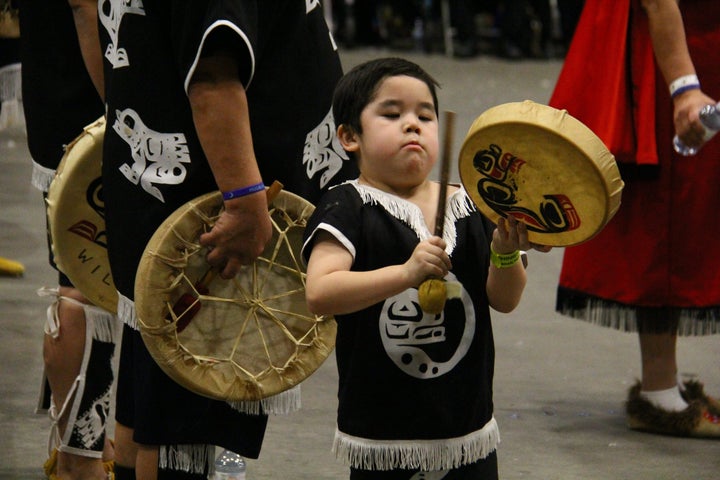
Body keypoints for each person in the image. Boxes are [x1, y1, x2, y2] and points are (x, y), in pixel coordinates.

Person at [97, 1, 359, 479]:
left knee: (149, 417)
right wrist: (242, 201)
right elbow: (213, 79)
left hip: (161, 196)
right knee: (181, 433)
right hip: (209, 223)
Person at [301, 57, 548, 479]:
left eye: (425, 115)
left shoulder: (473, 204)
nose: (412, 125)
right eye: (392, 114)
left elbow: (504, 299)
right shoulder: (347, 205)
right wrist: (407, 274)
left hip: (465, 426)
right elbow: (320, 293)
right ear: (348, 136)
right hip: (383, 434)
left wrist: (504, 253)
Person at [550, 0, 720, 437]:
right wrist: (683, 85)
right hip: (672, 60)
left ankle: (667, 382)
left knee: (691, 217)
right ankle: (659, 391)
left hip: (698, 49)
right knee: (666, 220)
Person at [17, 2, 117, 479]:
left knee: (103, 282)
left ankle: (99, 447)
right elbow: (84, 6)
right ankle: (81, 456)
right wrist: (121, 111)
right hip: (91, 94)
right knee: (85, 282)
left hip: (68, 80)